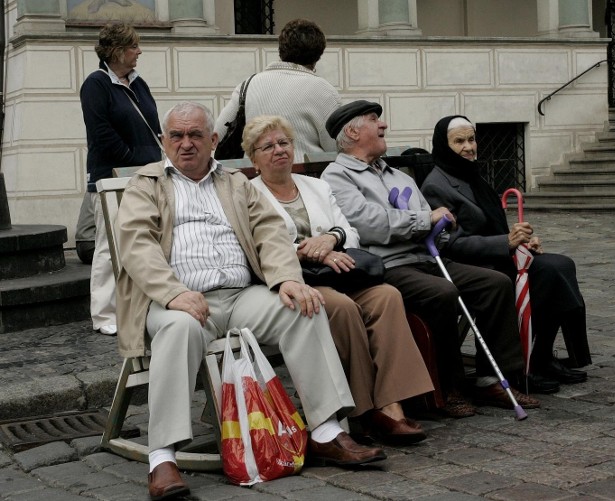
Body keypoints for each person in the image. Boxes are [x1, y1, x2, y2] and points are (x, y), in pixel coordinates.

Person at [116, 102, 386, 500]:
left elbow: (270, 233)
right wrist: (174, 293)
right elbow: (136, 244)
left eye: (195, 136)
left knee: (303, 307)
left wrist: (286, 280)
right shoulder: (148, 184)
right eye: (177, 136)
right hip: (177, 300)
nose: (186, 144)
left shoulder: (234, 183)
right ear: (164, 141)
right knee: (178, 329)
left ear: (213, 141)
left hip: (241, 296)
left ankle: (326, 431)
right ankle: (163, 457)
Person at [321, 100, 542, 417]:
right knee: (442, 292)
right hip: (388, 266)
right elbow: (367, 224)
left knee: (494, 282)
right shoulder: (338, 176)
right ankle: (448, 387)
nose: (383, 126)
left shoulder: (398, 175)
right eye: (374, 120)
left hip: (426, 257)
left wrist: (448, 228)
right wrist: (424, 221)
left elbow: (434, 224)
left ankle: (493, 378)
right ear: (354, 132)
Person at [244, 115, 433, 444]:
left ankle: (391, 406)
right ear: (253, 158)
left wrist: (332, 239)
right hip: (290, 282)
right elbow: (255, 248)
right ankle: (361, 410)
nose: (279, 150)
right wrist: (309, 251)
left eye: (284, 143)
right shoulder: (248, 195)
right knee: (340, 308)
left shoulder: (317, 186)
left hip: (339, 273)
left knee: (387, 296)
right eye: (268, 146)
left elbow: (352, 233)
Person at [421, 115, 590, 389]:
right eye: (459, 141)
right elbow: (451, 243)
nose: (469, 147)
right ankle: (522, 365)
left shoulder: (471, 173)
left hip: (498, 253)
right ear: (444, 144)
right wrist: (506, 243)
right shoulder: (436, 185)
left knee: (560, 266)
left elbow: (490, 222)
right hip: (470, 263)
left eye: (472, 139)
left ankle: (541, 355)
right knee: (545, 273)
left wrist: (522, 242)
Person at [80, 22, 162, 335]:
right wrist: (133, 161)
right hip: (113, 176)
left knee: (142, 241)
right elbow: (101, 134)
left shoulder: (138, 83)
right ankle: (104, 315)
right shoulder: (96, 85)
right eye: (133, 47)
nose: (139, 51)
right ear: (117, 51)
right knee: (108, 245)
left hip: (144, 174)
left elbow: (152, 126)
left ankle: (137, 307)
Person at [214, 18, 340, 162]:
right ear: (318, 55)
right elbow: (337, 147)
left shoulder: (248, 85)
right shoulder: (324, 90)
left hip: (255, 176)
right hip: (306, 176)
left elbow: (218, 134)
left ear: (281, 49)